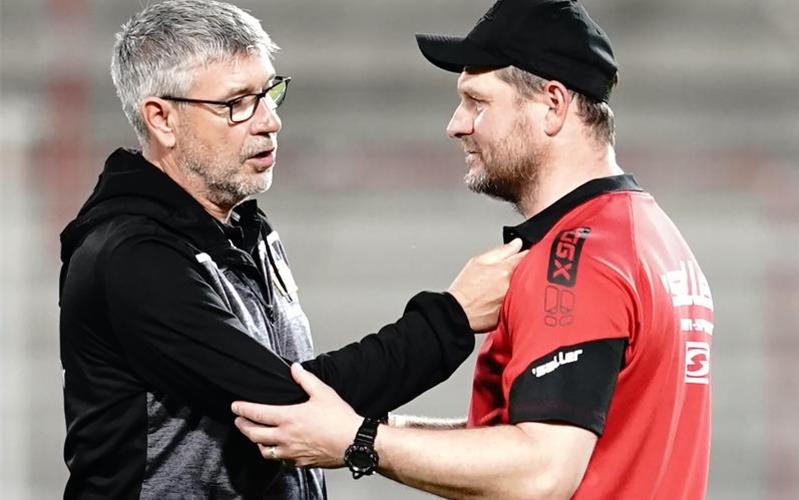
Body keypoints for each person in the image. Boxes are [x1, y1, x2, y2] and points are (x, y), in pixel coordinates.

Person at [232, 0, 715, 498]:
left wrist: (359, 441)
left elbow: (541, 471)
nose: (456, 124)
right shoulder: (652, 236)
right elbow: (537, 438)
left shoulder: (577, 255)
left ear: (552, 104)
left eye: (477, 101)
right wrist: (356, 426)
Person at [58, 1, 527, 499]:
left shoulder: (243, 230)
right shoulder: (129, 257)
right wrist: (451, 318)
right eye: (236, 103)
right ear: (162, 120)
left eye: (269, 93)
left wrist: (482, 445)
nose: (270, 121)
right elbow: (290, 406)